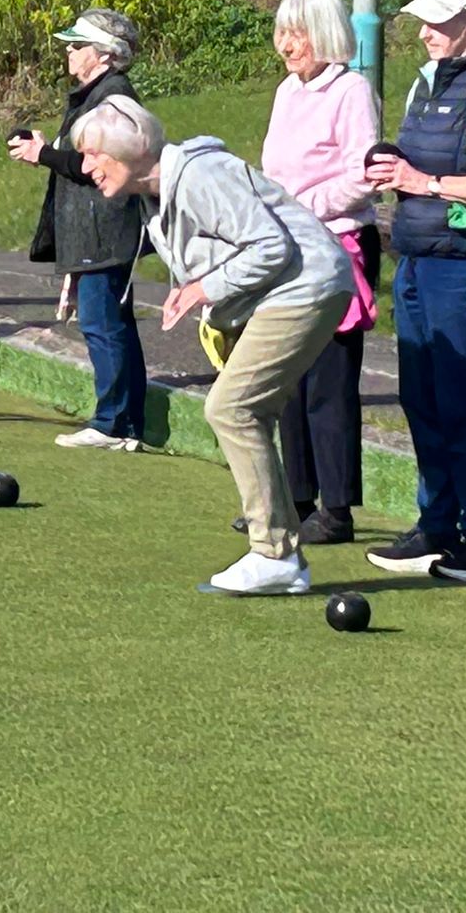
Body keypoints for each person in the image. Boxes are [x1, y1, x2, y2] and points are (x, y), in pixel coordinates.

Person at [75, 95, 356, 596]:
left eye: (93, 153)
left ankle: (275, 554)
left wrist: (205, 289)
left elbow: (271, 246)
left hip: (307, 284)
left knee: (230, 408)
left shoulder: (202, 175)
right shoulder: (151, 197)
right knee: (247, 409)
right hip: (283, 292)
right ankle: (281, 552)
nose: (86, 166)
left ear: (128, 151)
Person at [364, 0, 466, 585]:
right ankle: (436, 525)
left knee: (462, 400)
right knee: (420, 398)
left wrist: (422, 183)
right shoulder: (424, 84)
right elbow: (416, 164)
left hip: (463, 264)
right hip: (417, 257)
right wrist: (391, 169)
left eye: (440, 21)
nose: (426, 32)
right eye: (425, 20)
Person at [259, 0, 381, 545]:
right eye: (282, 32)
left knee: (329, 384)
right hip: (288, 248)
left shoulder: (351, 89)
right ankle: (296, 499)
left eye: (297, 32)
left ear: (324, 33)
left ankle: (336, 510)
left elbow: (364, 173)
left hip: (336, 247)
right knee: (290, 379)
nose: (287, 44)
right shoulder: (288, 92)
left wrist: (303, 204)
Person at [9, 8, 150, 452]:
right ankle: (124, 423)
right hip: (91, 228)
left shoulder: (114, 97)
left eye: (77, 45)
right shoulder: (95, 96)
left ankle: (112, 423)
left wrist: (44, 155)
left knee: (103, 323)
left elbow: (98, 166)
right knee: (110, 323)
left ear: (105, 55)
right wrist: (50, 149)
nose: (68, 53)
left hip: (104, 228)